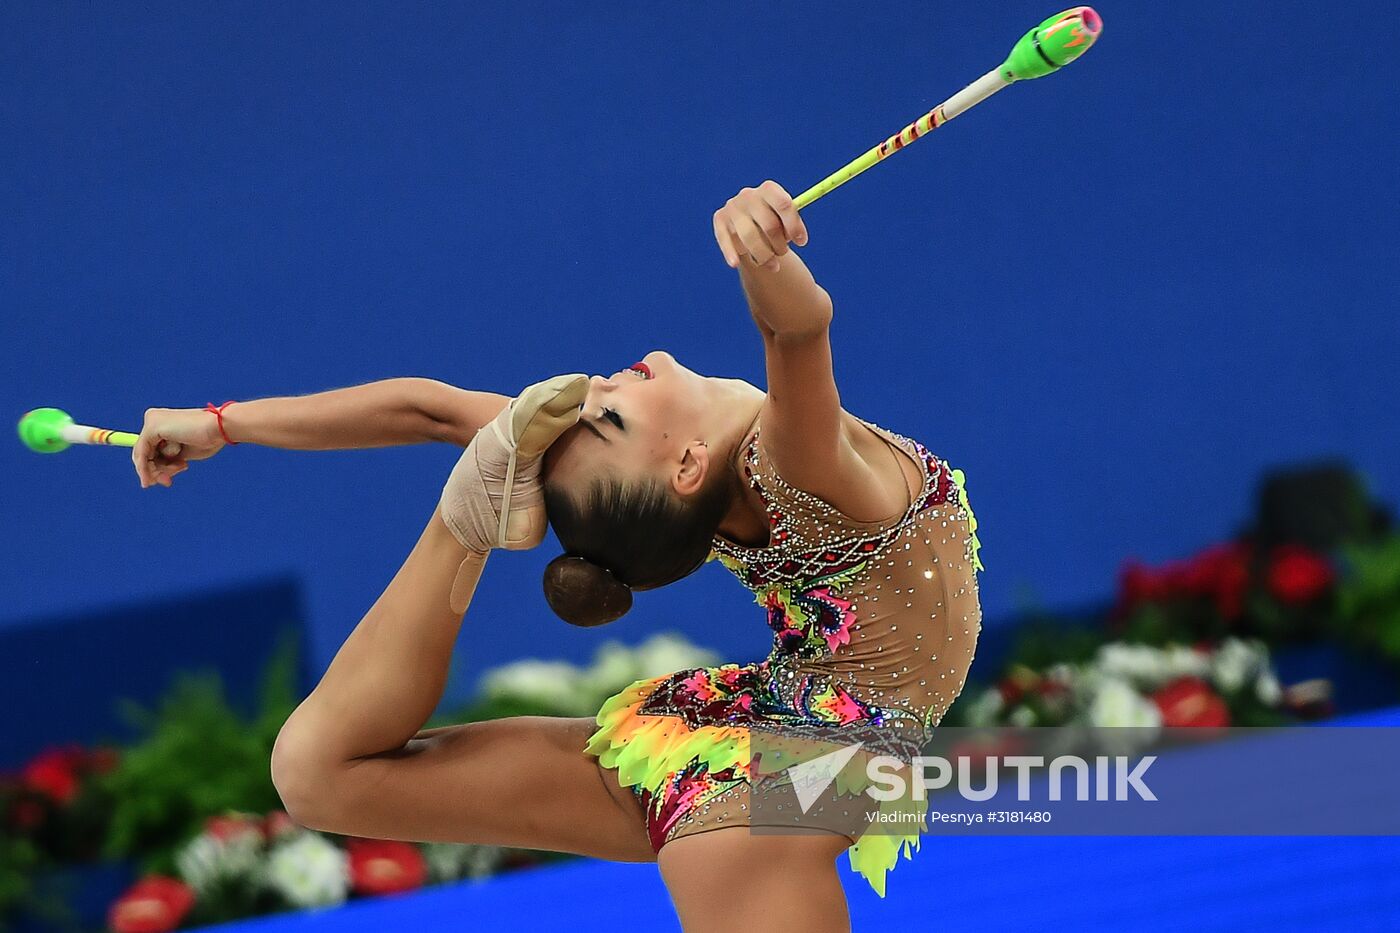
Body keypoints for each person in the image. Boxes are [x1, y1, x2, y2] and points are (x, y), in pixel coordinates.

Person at [132, 180, 983, 930]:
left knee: (325, 775)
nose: (600, 384)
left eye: (595, 407)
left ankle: (470, 517)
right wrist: (760, 252)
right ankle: (464, 524)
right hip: (783, 768)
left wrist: (221, 422)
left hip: (784, 752)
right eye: (608, 415)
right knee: (316, 773)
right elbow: (799, 329)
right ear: (684, 466)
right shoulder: (788, 461)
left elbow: (427, 409)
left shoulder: (707, 482)